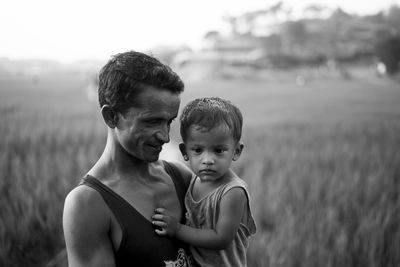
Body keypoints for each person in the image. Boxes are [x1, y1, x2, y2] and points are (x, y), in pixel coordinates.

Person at [62, 51, 197, 267]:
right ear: (111, 116)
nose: (165, 136)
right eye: (152, 122)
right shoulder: (88, 205)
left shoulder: (181, 178)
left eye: (169, 122)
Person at [152, 97, 257, 267]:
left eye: (219, 150)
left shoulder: (233, 192)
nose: (207, 160)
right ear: (185, 152)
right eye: (198, 150)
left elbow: (221, 238)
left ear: (236, 151)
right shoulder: (193, 182)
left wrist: (178, 229)